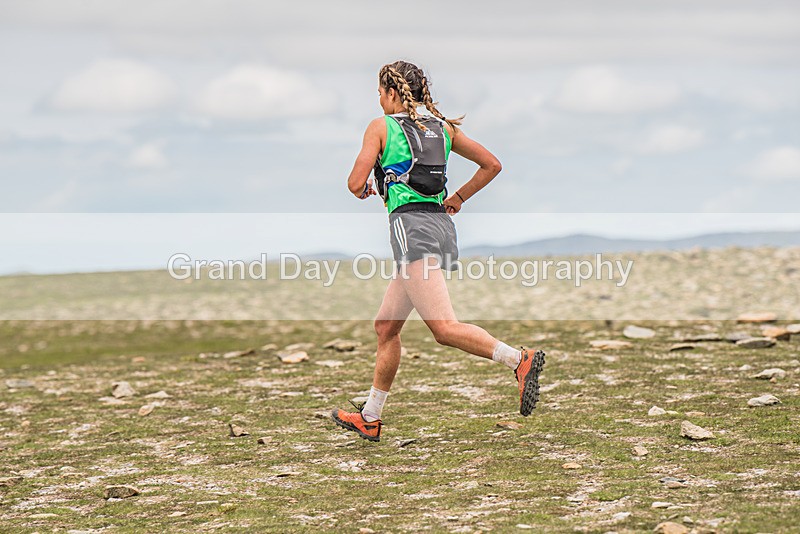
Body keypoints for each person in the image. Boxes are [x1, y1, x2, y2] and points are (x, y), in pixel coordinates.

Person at [332, 60, 546, 442]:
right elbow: (491, 164)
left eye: (380, 93)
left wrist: (367, 188)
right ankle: (370, 416)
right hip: (441, 226)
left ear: (393, 93)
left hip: (411, 229)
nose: (378, 99)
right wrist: (459, 197)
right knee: (386, 327)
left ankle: (518, 360)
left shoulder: (381, 127)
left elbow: (353, 182)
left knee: (443, 328)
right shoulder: (444, 128)